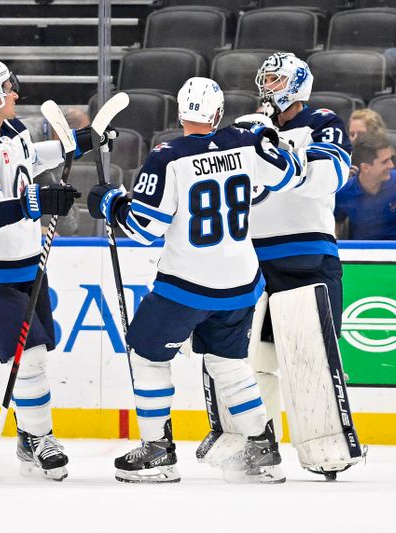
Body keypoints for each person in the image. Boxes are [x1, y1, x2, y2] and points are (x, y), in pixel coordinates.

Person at [87, 76, 308, 484]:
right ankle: (262, 447)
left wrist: (110, 203)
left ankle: (157, 452)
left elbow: (143, 229)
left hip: (187, 284)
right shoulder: (246, 143)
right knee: (230, 364)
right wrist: (270, 137)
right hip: (242, 283)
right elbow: (291, 175)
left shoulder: (167, 156)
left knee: (148, 354)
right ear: (219, 114)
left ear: (181, 113)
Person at [198, 52, 364, 479]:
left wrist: (280, 159)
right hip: (252, 260)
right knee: (252, 360)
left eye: (275, 78)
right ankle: (255, 445)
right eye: (265, 78)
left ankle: (327, 448)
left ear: (296, 83)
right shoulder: (248, 128)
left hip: (308, 256)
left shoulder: (322, 121)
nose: (266, 85)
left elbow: (329, 177)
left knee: (312, 359)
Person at [0, 59, 109, 480]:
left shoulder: (13, 131)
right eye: (8, 87)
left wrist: (81, 142)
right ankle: (40, 439)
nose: (16, 93)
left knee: (36, 353)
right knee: (30, 355)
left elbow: (32, 157)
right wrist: (35, 203)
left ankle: (26, 437)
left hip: (26, 261)